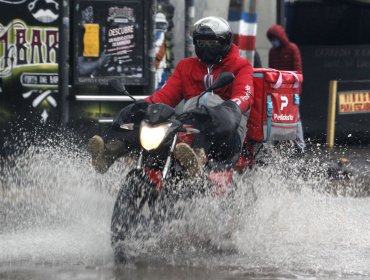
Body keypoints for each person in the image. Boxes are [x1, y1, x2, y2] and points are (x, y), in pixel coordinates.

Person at [88, 16, 254, 176]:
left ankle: (197, 158)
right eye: (201, 42)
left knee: (207, 100)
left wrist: (226, 110)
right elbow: (165, 96)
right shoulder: (185, 67)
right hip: (190, 124)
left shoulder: (241, 66)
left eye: (212, 42)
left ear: (225, 42)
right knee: (152, 119)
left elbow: (244, 96)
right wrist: (142, 106)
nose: (206, 46)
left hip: (228, 130)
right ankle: (110, 153)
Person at [266, 24, 305, 153]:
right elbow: (272, 72)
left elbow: (298, 72)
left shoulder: (292, 49)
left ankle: (300, 146)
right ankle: (275, 146)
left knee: (295, 118)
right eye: (271, 40)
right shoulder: (272, 52)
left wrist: (296, 92)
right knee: (276, 117)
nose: (273, 42)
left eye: (274, 39)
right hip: (277, 92)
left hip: (291, 91)